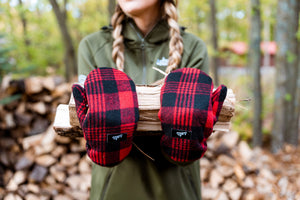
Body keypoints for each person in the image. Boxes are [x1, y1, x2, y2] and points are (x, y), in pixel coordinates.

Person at [77, 0, 209, 199]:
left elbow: (189, 144)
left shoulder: (192, 47)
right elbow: (95, 140)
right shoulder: (93, 46)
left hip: (176, 192)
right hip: (113, 192)